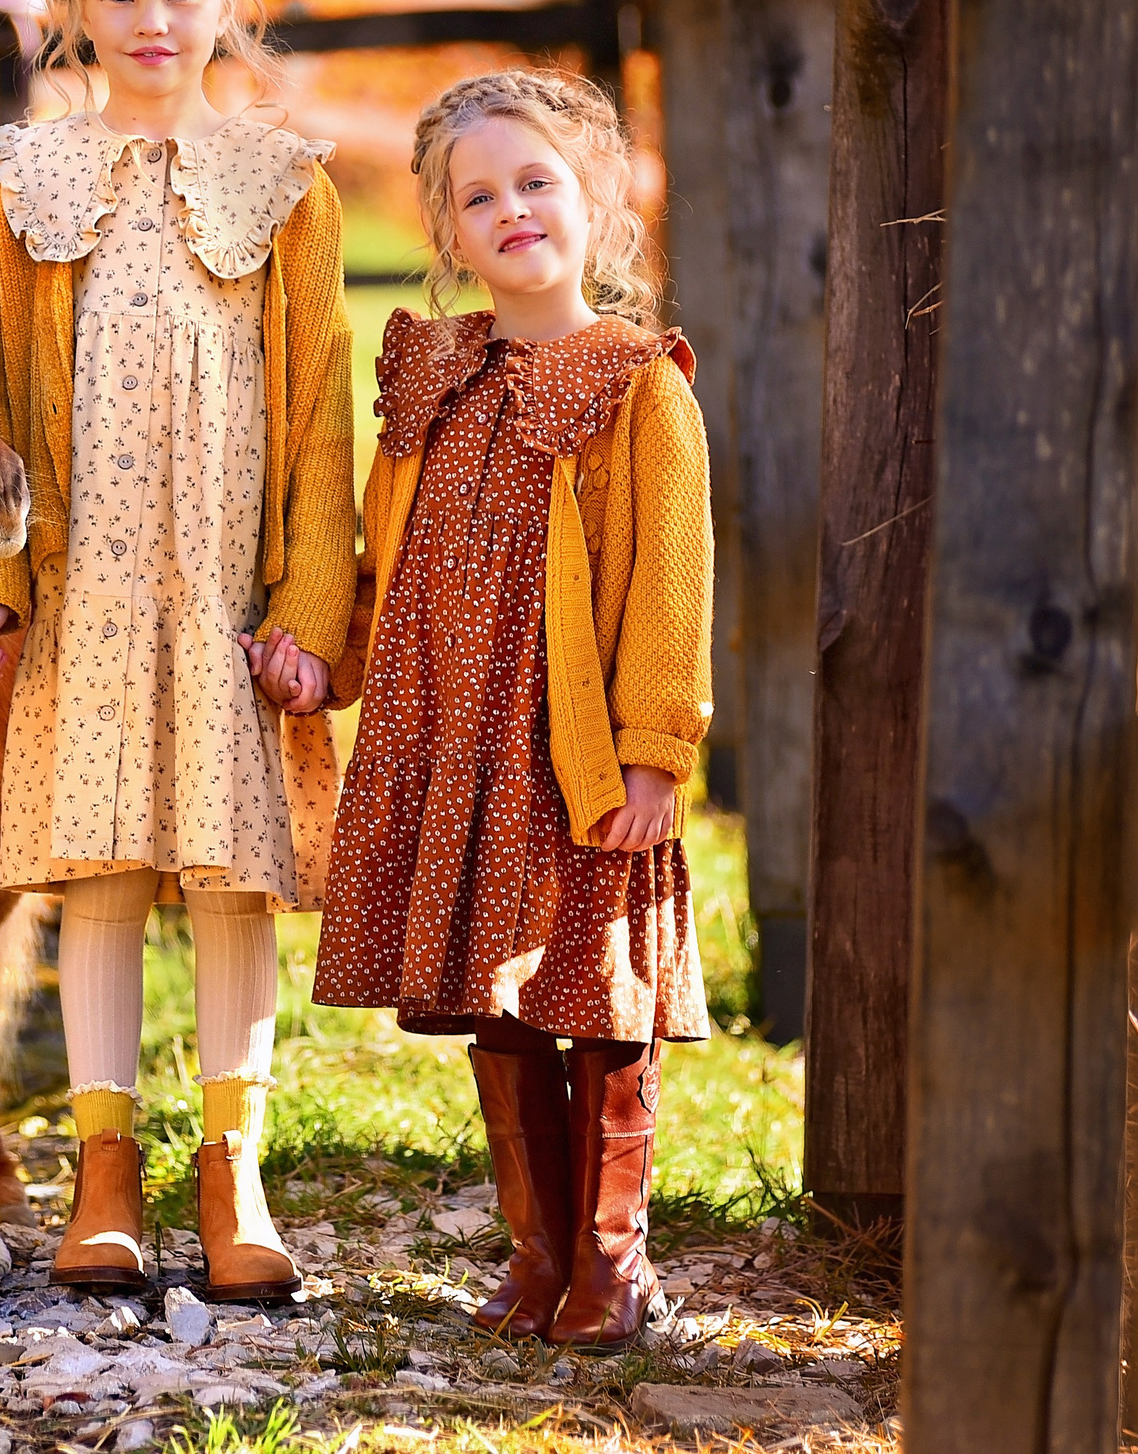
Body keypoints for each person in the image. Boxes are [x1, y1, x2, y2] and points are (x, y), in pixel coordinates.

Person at [0, 0, 356, 1304]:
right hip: (88, 595)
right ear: (73, 2)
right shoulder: (28, 179)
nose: (151, 22)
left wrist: (310, 609)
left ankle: (234, 1169)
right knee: (105, 869)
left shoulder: (284, 184)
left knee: (234, 878)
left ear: (230, 0)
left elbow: (320, 410)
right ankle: (105, 1173)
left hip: (227, 597)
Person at [310, 69, 713, 1348]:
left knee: (594, 988)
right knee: (498, 989)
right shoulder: (435, 378)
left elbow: (671, 585)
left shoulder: (638, 384)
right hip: (453, 743)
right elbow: (389, 553)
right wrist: (336, 658)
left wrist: (652, 750)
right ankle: (534, 1253)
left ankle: (611, 1263)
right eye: (477, 197)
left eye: (537, 182)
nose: (512, 210)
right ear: (447, 235)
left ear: (597, 198)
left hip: (572, 754)